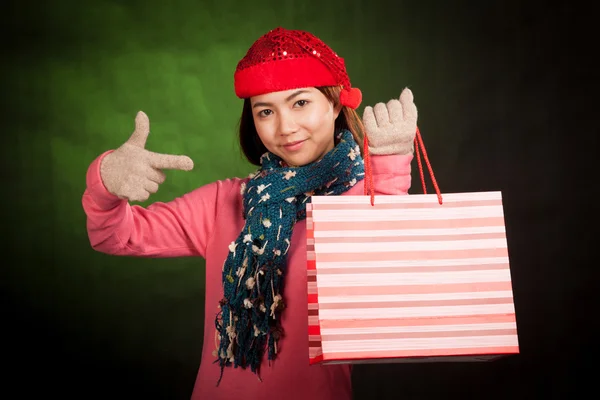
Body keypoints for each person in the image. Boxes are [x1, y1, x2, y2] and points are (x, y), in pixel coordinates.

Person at [82, 27, 418, 400]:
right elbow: (115, 235)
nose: (285, 127)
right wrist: (104, 183)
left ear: (336, 103)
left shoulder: (365, 197)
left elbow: (390, 270)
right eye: (265, 111)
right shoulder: (225, 204)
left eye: (300, 103)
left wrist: (389, 166)